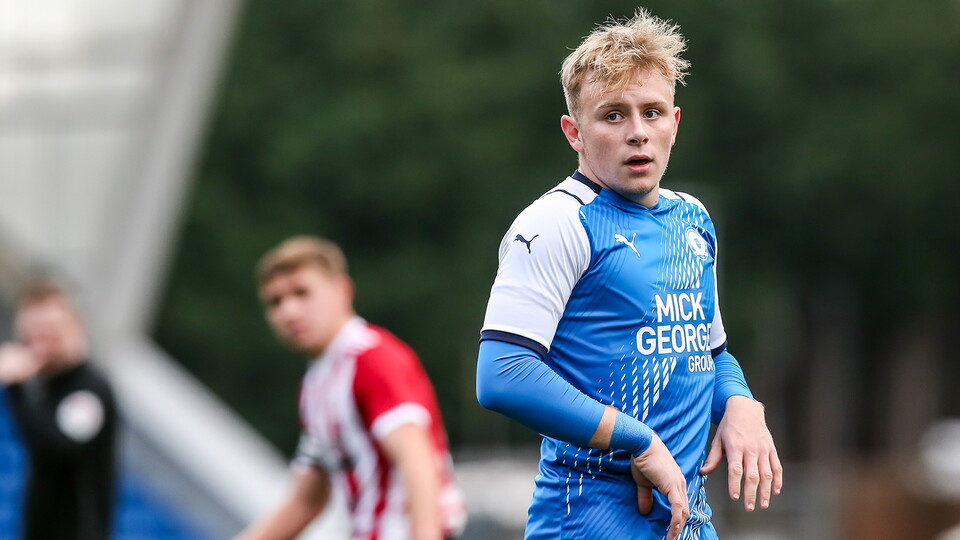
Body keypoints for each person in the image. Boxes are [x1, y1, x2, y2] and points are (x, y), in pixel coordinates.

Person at [476, 9, 782, 540]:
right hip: (589, 517)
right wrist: (637, 440)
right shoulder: (556, 222)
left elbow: (708, 351)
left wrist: (739, 402)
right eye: (613, 115)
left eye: (652, 112)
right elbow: (502, 372)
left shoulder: (694, 219)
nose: (638, 132)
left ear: (675, 123)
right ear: (574, 131)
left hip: (688, 518)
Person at [236, 236, 466, 540]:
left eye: (302, 293)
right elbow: (308, 498)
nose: (288, 311)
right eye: (275, 301)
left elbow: (417, 458)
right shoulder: (314, 385)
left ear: (342, 291)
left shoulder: (371, 358)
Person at [0, 280, 118, 540]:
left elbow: (55, 447)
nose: (41, 346)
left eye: (51, 334)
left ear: (76, 327)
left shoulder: (90, 392)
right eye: (32, 335)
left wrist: (16, 386)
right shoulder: (45, 387)